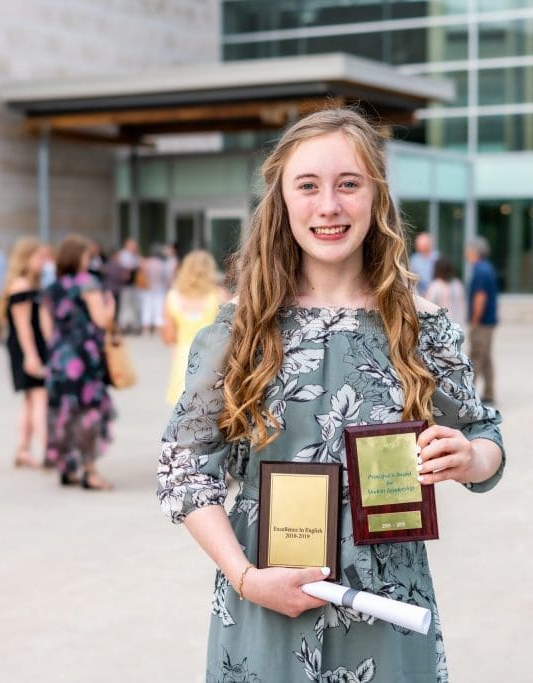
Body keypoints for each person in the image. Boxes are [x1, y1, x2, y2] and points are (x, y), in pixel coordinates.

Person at [157, 109, 505, 683]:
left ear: (376, 197)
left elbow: (485, 436)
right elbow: (184, 470)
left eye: (348, 184)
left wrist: (469, 459)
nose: (329, 206)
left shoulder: (424, 327)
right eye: (308, 186)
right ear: (282, 200)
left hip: (388, 617)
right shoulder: (236, 331)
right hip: (265, 608)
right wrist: (244, 577)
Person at [43, 234, 116, 490]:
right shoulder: (88, 283)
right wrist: (110, 306)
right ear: (78, 257)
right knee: (89, 413)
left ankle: (67, 467)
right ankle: (90, 471)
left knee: (64, 412)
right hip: (85, 359)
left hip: (59, 360)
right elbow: (101, 320)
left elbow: (46, 329)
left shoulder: (52, 287)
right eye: (87, 255)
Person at [0, 238, 50, 469]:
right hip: (28, 348)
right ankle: (49, 450)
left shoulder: (27, 284)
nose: (43, 262)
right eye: (39, 257)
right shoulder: (21, 286)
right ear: (26, 259)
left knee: (30, 400)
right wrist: (31, 356)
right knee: (40, 398)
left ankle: (23, 449)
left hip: (30, 347)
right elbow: (23, 326)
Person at [162, 250, 222, 406]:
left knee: (183, 409)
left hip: (183, 358)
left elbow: (168, 337)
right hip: (213, 357)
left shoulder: (172, 298)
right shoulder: (218, 296)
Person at [466, 236, 499, 404]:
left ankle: (469, 392)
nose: (466, 253)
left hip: (482, 322)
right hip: (489, 321)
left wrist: (474, 320)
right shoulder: (487, 268)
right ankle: (489, 392)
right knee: (485, 357)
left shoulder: (480, 270)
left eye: (469, 250)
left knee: (476, 356)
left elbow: (480, 297)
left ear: (475, 252)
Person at [424, 258, 466, 328]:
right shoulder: (458, 284)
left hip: (442, 327)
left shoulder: (435, 286)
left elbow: (427, 307)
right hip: (459, 325)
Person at [140, 243, 169, 335]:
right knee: (159, 309)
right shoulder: (162, 264)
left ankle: (146, 330)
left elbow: (142, 275)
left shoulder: (146, 263)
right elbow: (165, 278)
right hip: (160, 289)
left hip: (147, 289)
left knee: (147, 308)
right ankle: (157, 330)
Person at [116, 238, 142, 333]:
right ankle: (124, 325)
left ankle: (132, 325)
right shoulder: (124, 255)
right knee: (125, 305)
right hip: (125, 285)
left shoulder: (134, 255)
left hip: (133, 284)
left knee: (133, 306)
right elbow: (126, 268)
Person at [408, 232, 439, 296]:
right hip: (420, 295)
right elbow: (411, 278)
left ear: (429, 244)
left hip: (436, 294)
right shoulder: (414, 260)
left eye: (422, 244)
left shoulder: (437, 258)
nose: (418, 246)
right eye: (418, 244)